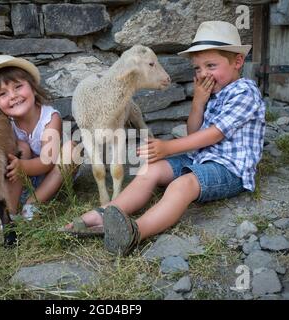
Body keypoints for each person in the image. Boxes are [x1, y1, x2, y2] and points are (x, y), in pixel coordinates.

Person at [61, 21, 266, 256]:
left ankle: (135, 231)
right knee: (151, 169)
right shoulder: (212, 92)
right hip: (200, 160)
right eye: (198, 69)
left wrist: (168, 147)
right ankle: (99, 215)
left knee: (182, 185)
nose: (203, 74)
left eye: (211, 65)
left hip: (230, 170)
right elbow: (193, 131)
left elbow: (214, 134)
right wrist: (198, 102)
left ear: (237, 62)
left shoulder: (245, 91)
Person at [0, 55, 78, 221]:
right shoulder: (5, 125)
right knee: (19, 148)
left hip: (53, 179)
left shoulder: (50, 118)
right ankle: (10, 214)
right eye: (3, 93)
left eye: (18, 86)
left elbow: (48, 161)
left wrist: (22, 166)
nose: (12, 96)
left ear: (32, 87)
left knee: (72, 149)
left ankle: (33, 205)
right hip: (21, 183)